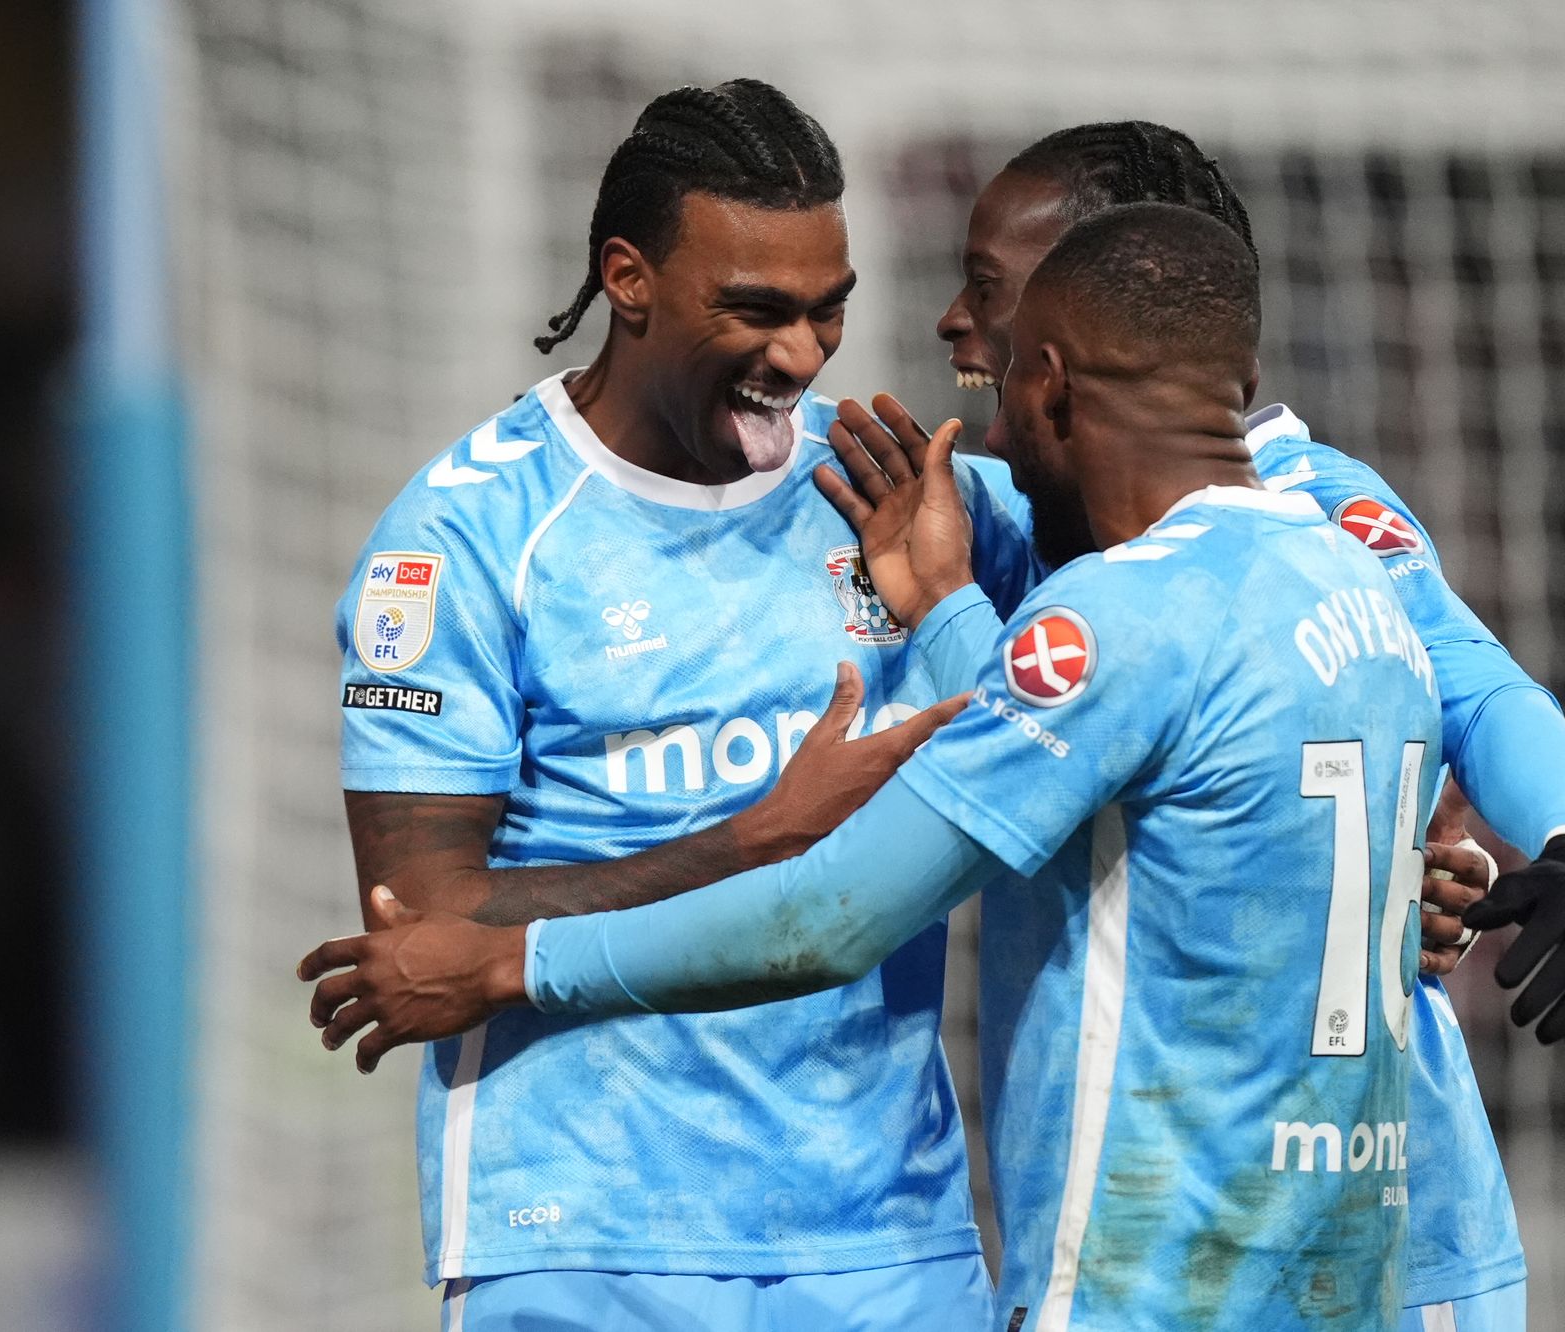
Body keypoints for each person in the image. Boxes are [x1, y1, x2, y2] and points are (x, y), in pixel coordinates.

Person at [309, 201, 1446, 1330]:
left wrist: (520, 965)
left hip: (1127, 1282)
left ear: (1047, 383)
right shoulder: (1354, 588)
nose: (989, 431)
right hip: (1329, 1273)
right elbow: (1083, 725)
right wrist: (1554, 852)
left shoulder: (1115, 612)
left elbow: (830, 919)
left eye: (999, 393)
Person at [322, 78, 1036, 1331]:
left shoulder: (895, 493)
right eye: (755, 311)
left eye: (828, 312)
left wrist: (1423, 819)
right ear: (628, 277)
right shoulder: (467, 534)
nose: (802, 355)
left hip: (883, 1239)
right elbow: (426, 918)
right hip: (582, 1235)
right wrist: (761, 838)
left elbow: (1166, 628)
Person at [914, 121, 1565, 1331]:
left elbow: (1477, 682)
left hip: (1378, 1239)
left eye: (989, 284)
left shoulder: (1311, 510)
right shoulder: (1025, 513)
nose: (950, 319)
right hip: (1145, 1246)